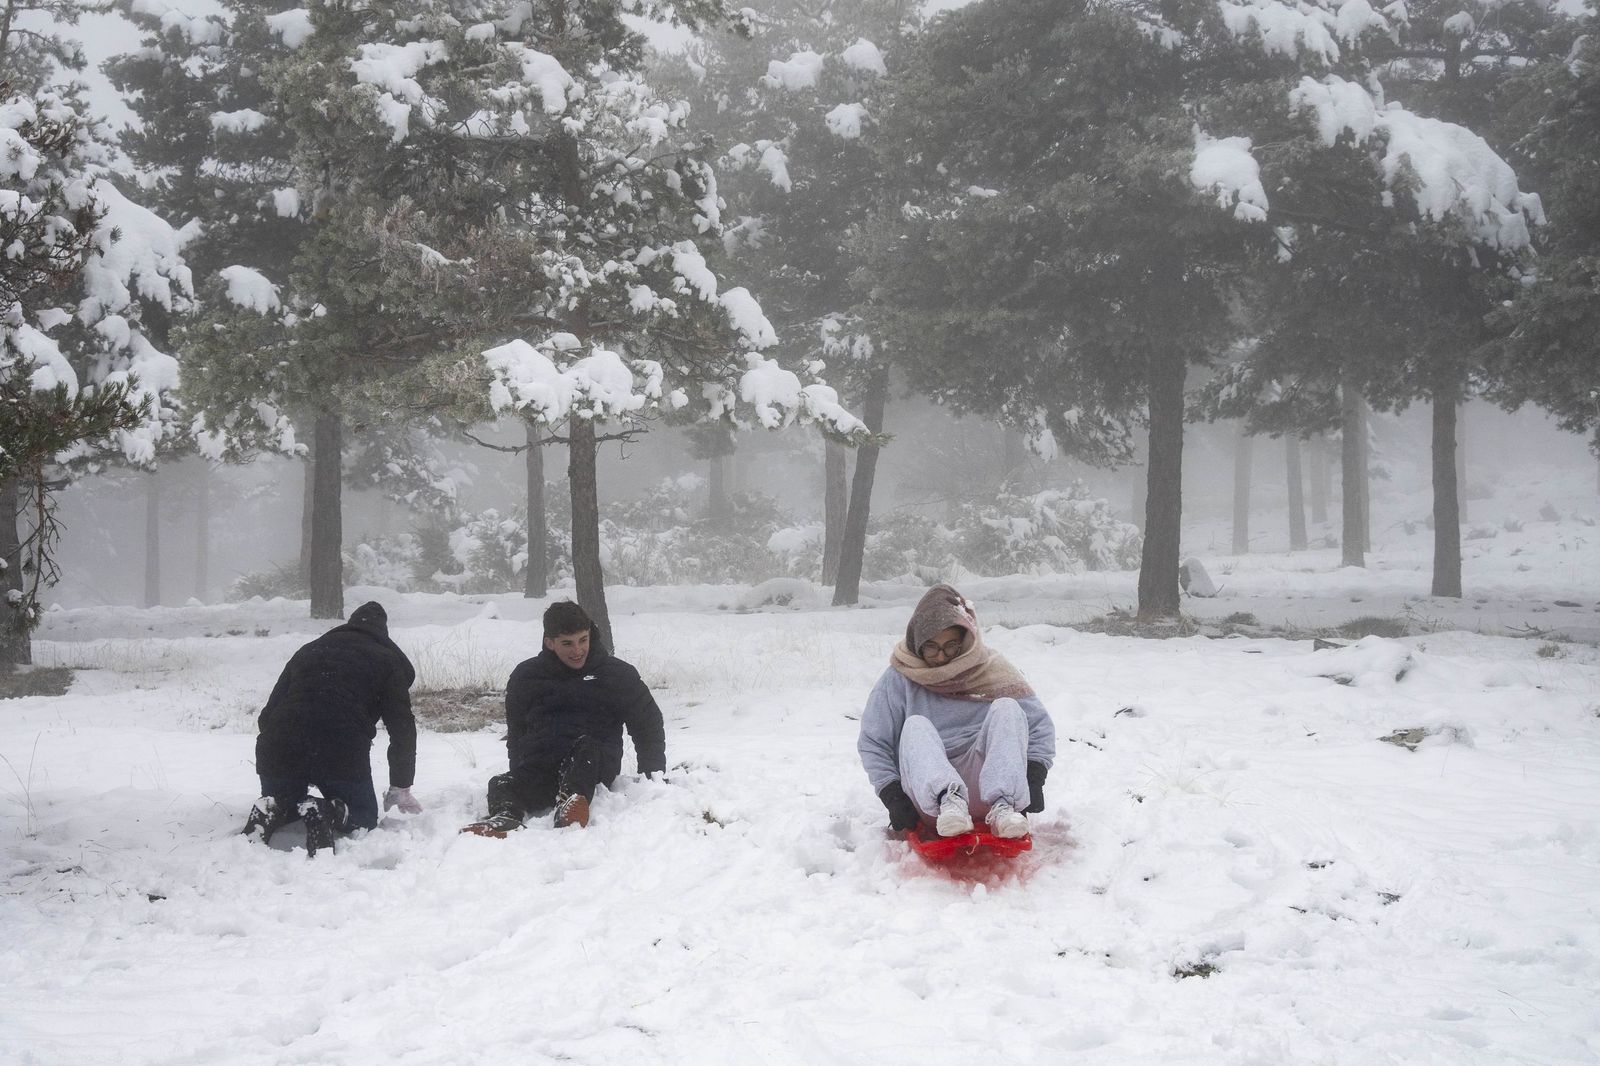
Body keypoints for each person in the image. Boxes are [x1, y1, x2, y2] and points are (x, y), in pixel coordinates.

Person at [858, 584, 1055, 839]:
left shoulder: (991, 669)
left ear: (964, 641)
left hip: (987, 785)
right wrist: (891, 794)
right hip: (931, 798)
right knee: (915, 724)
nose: (940, 657)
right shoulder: (899, 679)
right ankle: (950, 800)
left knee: (1008, 707)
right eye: (931, 646)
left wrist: (1034, 775)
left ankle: (1003, 806)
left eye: (950, 646)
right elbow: (874, 742)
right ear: (917, 641)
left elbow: (1039, 725)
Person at [466, 601, 665, 835]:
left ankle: (571, 804)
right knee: (500, 783)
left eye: (583, 640)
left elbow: (647, 723)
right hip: (545, 763)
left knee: (585, 748)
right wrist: (520, 771)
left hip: (593, 764)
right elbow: (517, 732)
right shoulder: (526, 676)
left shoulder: (616, 674)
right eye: (567, 643)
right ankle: (506, 817)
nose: (578, 650)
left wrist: (652, 775)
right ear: (550, 642)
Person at [243, 600, 421, 857]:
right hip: (339, 747)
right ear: (383, 633)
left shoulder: (308, 651)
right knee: (363, 816)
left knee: (288, 801)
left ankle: (273, 806)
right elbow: (402, 729)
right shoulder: (387, 660)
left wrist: (290, 746)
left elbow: (268, 715)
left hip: (279, 744)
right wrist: (400, 785)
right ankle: (329, 811)